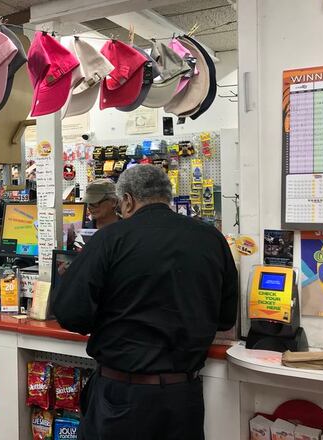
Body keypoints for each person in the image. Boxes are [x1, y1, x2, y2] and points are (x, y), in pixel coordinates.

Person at [52, 165, 238, 440]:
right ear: (168, 196)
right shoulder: (211, 238)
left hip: (122, 395)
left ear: (127, 200)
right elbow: (225, 318)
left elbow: (69, 313)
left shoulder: (110, 239)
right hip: (183, 399)